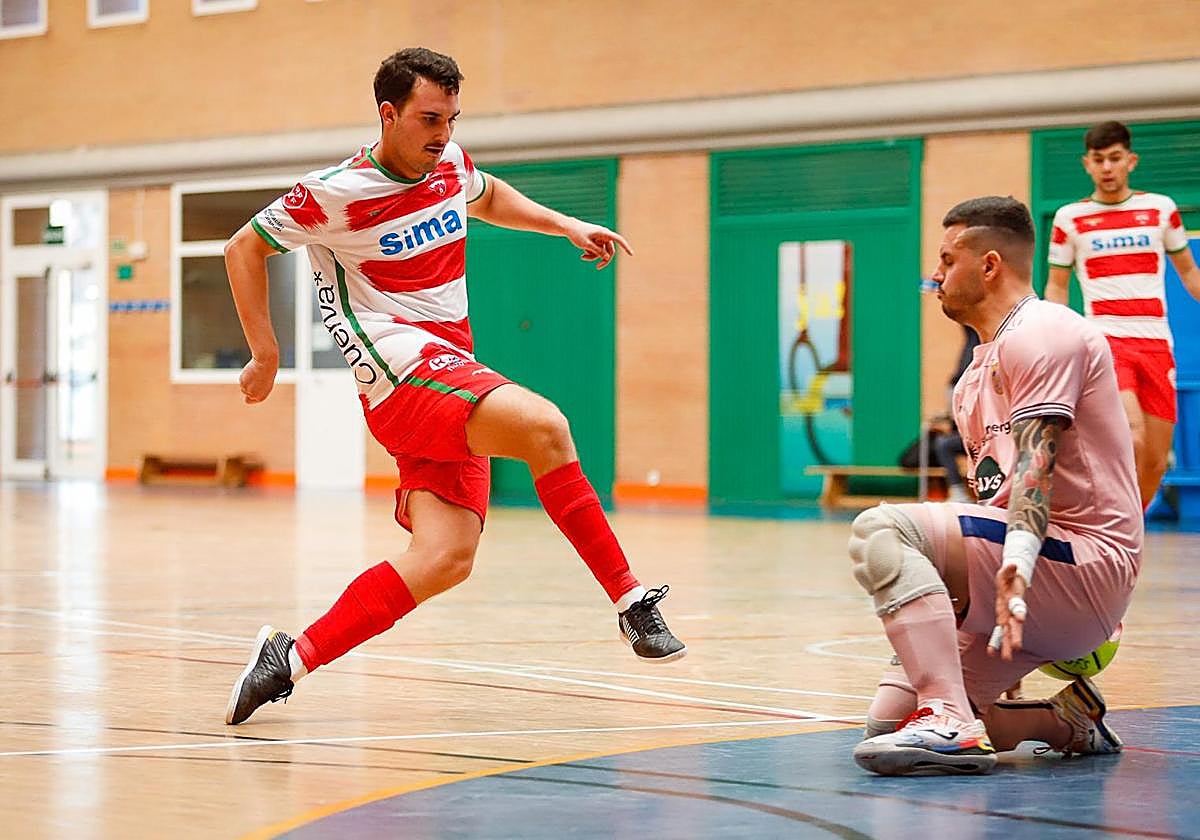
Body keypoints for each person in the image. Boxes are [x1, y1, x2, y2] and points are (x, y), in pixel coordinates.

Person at [222, 47, 685, 726]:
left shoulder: (450, 164)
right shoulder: (335, 192)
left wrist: (565, 225)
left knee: (444, 559)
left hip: (448, 367)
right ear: (389, 114)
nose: (443, 133)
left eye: (452, 117)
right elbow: (243, 248)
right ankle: (630, 601)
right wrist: (266, 353)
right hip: (397, 371)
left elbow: (489, 194)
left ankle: (287, 660)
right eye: (429, 118)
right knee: (546, 427)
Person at [851, 196, 1141, 776]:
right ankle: (1068, 721)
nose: (935, 275)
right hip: (1028, 569)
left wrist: (1018, 563)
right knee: (887, 726)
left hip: (1082, 559)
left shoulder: (1044, 332)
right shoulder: (972, 380)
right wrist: (970, 601)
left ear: (988, 265)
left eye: (945, 259)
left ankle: (948, 716)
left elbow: (1037, 463)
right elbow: (996, 500)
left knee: (879, 530)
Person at [1045, 120, 1200, 510]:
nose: (1107, 168)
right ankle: (1107, 525)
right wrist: (1052, 339)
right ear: (1087, 164)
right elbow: (1057, 286)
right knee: (1133, 438)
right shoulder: (1069, 218)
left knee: (1154, 462)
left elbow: (1189, 272)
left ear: (1131, 161)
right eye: (1099, 160)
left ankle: (1127, 532)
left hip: (1157, 344)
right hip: (1106, 341)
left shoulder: (1160, 209)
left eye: (1115, 159)